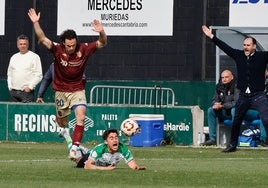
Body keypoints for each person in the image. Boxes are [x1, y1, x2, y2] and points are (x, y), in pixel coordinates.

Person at [28, 8, 107, 159]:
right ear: (63, 43)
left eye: (73, 45)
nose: (71, 48)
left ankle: (74, 149)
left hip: (77, 89)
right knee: (62, 123)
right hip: (60, 91)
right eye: (68, 45)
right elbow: (42, 38)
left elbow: (102, 42)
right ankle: (66, 134)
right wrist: (36, 23)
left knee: (81, 116)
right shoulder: (57, 49)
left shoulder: (83, 49)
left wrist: (101, 31)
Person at [202, 25, 268, 152]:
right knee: (236, 119)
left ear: (254, 46)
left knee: (266, 118)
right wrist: (212, 37)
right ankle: (232, 145)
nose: (246, 47)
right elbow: (225, 47)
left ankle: (265, 140)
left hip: (258, 95)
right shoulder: (239, 55)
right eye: (244, 45)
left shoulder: (262, 56)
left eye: (248, 45)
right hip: (244, 95)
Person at [58, 128, 146, 170]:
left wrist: (137, 168)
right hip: (92, 158)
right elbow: (87, 166)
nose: (115, 140)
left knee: (91, 153)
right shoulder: (100, 149)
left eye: (116, 137)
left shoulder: (123, 148)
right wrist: (105, 169)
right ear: (106, 141)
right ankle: (66, 135)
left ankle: (83, 148)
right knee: (76, 158)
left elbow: (132, 164)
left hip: (95, 155)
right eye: (111, 138)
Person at [201, 70, 239, 146]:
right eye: (222, 77)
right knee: (210, 110)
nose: (224, 79)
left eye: (226, 77)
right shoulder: (219, 86)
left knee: (234, 110)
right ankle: (212, 139)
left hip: (234, 112)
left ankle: (234, 139)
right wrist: (215, 104)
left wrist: (222, 106)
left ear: (232, 77)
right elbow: (214, 99)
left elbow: (236, 102)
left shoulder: (237, 86)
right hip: (224, 111)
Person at [7, 34, 43, 102]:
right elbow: (10, 73)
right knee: (13, 112)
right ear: (17, 45)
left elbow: (39, 75)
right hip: (13, 92)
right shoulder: (13, 57)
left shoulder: (34, 57)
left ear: (28, 45)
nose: (22, 46)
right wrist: (10, 86)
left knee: (26, 112)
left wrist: (30, 87)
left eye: (24, 44)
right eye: (20, 44)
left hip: (26, 93)